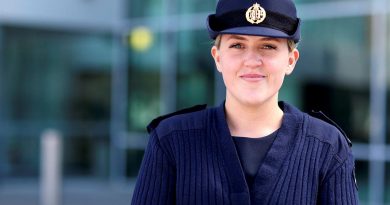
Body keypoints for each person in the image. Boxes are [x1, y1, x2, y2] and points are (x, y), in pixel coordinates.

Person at [131, 0, 359, 204]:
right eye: (237, 45)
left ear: (291, 60)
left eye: (268, 46)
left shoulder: (328, 147)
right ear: (217, 57)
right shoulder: (170, 140)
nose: (252, 61)